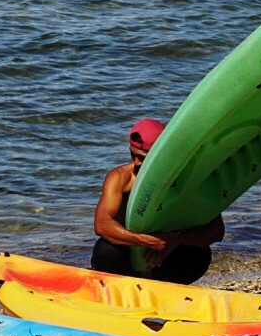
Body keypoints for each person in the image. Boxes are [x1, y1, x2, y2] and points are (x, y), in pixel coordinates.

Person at [90, 118, 224, 284]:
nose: (136, 162)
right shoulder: (121, 178)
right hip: (129, 254)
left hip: (170, 255)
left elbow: (217, 230)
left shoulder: (188, 180)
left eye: (142, 158)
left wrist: (174, 240)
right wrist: (145, 240)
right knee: (105, 251)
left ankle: (167, 287)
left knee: (199, 254)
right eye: (132, 154)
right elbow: (102, 224)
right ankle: (123, 287)